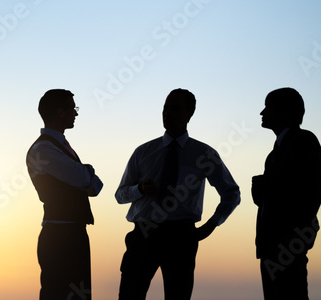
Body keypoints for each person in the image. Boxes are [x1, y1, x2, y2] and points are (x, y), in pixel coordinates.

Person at [115, 89, 240, 300]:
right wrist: (140, 190)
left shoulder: (203, 154)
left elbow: (231, 193)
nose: (167, 113)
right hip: (143, 235)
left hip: (181, 236)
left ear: (189, 113)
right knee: (129, 296)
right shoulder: (143, 152)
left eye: (175, 108)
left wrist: (211, 225)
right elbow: (120, 195)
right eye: (165, 107)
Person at [26, 89, 104, 300]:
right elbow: (85, 179)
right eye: (72, 108)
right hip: (60, 237)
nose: (76, 114)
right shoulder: (43, 149)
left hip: (73, 235)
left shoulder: (59, 146)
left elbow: (94, 186)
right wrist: (87, 174)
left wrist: (85, 177)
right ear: (60, 112)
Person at [252, 87, 321, 300]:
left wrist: (297, 233)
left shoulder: (303, 140)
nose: (262, 113)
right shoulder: (273, 154)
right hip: (270, 244)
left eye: (268, 108)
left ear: (285, 113)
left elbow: (314, 188)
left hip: (288, 243)